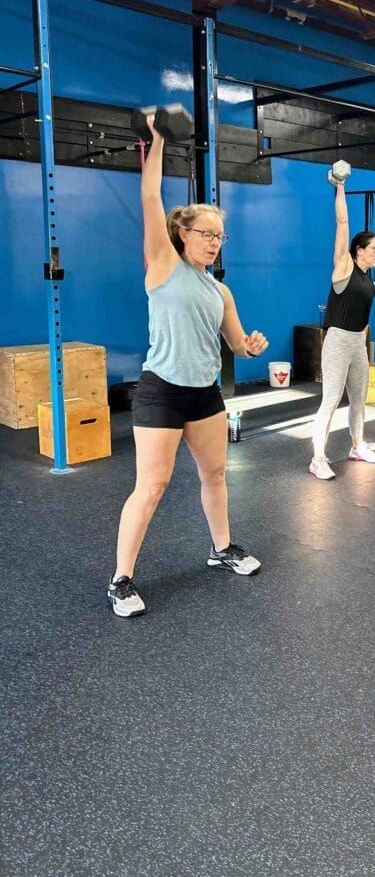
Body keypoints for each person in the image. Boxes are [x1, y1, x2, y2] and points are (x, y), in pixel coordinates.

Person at [109, 112, 268, 617]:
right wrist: (155, 142)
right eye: (207, 233)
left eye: (220, 236)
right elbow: (151, 199)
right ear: (183, 232)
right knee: (151, 486)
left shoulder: (220, 289)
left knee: (215, 474)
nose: (214, 241)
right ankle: (121, 579)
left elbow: (237, 344)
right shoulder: (163, 264)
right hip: (161, 391)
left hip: (205, 394)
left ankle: (222, 549)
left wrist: (252, 347)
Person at [309, 173, 375, 480]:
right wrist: (340, 186)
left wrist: (364, 344)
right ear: (359, 250)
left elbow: (364, 318)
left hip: (357, 342)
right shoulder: (344, 266)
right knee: (330, 400)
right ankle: (318, 458)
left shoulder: (372, 281)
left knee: (358, 399)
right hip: (338, 340)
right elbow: (342, 223)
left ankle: (356, 446)